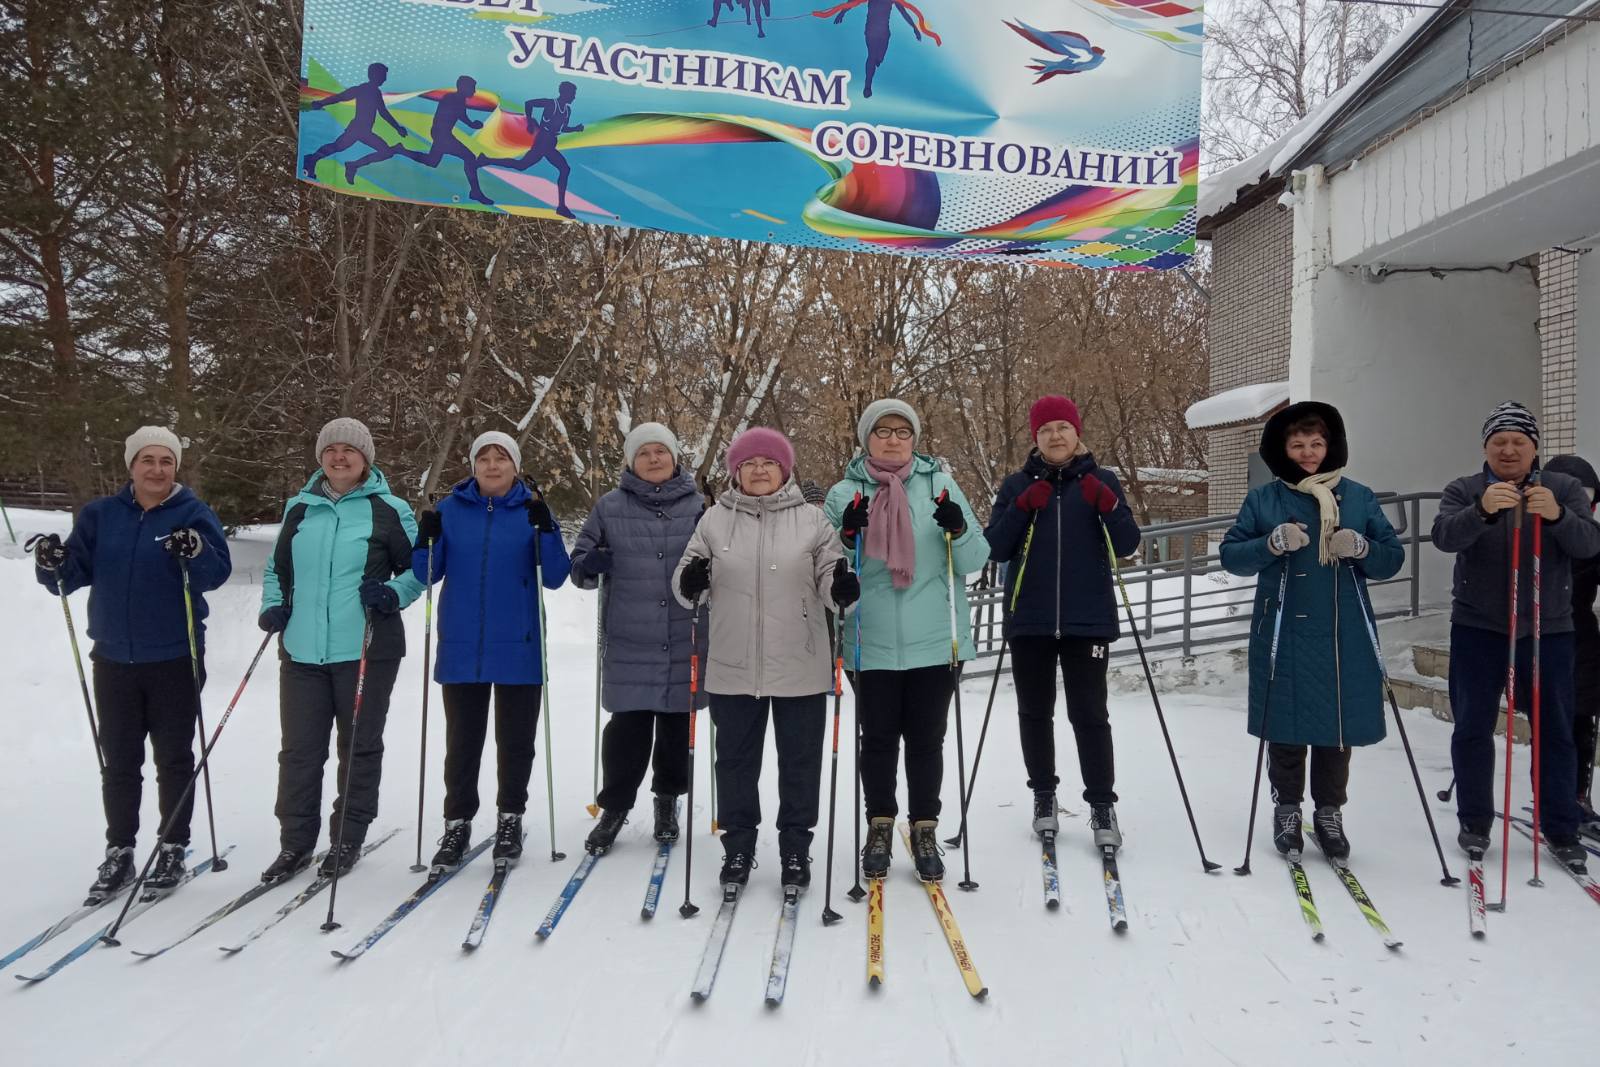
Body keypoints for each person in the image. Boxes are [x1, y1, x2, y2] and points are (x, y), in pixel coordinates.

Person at [30, 427, 231, 901]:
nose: (157, 469)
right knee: (119, 761)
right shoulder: (101, 516)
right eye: (148, 460)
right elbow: (70, 576)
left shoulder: (194, 513)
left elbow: (216, 572)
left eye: (166, 461)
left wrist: (195, 550)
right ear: (131, 465)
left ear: (175, 467)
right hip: (114, 658)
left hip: (175, 657)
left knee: (174, 758)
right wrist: (52, 563)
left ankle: (173, 847)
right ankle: (120, 850)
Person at [673, 427, 858, 889]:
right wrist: (690, 582)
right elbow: (685, 581)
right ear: (736, 471)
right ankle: (738, 847)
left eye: (769, 462)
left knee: (800, 763)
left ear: (784, 470)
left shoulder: (813, 522)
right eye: (750, 463)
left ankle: (795, 849)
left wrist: (840, 590)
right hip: (733, 667)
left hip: (801, 664)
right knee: (734, 763)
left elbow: (831, 578)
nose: (759, 470)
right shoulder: (714, 520)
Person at [1219, 402, 1404, 859]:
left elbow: (1391, 558)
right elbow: (1231, 556)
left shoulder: (1358, 497)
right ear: (1282, 449)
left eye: (1316, 443)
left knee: (1336, 727)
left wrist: (1362, 546)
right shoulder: (1264, 498)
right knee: (1285, 722)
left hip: (1345, 632)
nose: (1307, 453)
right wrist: (1271, 542)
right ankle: (1287, 807)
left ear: (1331, 445)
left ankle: (1328, 811)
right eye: (1297, 444)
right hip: (1284, 626)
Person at [1433, 402, 1600, 871]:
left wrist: (1561, 517)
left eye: (1518, 442)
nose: (1508, 450)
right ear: (1485, 447)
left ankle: (1561, 824)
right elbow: (1444, 536)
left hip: (1549, 629)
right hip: (1478, 627)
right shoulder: (1464, 489)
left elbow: (1589, 544)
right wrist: (1481, 512)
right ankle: (1475, 821)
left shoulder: (1564, 488)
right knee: (1472, 727)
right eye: (1499, 441)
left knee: (1555, 730)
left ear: (1534, 448)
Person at [823, 399, 985, 882]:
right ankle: (880, 824)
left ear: (914, 438)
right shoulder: (844, 492)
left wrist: (957, 527)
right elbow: (825, 563)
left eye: (902, 431)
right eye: (882, 431)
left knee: (926, 740)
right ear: (866, 438)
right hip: (868, 640)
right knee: (876, 740)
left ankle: (925, 826)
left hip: (935, 640)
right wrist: (843, 533)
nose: (893, 439)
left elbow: (976, 556)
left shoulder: (941, 485)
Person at [258, 418, 425, 881]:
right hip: (303, 652)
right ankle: (295, 844)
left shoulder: (390, 509)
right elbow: (277, 570)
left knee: (359, 746)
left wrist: (394, 593)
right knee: (299, 751)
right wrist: (274, 606)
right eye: (330, 449)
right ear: (320, 458)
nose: (339, 457)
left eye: (349, 450)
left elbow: (420, 569)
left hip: (367, 648)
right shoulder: (300, 508)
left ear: (365, 458)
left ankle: (347, 838)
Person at [983, 396, 1141, 851]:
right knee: (1035, 712)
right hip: (1030, 619)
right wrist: (1021, 508)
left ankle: (1101, 803)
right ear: (1035, 437)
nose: (1055, 435)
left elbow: (1127, 542)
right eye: (1046, 429)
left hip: (1087, 619)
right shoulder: (1016, 485)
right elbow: (995, 547)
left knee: (1089, 713)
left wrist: (1108, 504)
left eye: (1063, 427)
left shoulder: (1100, 480)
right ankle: (1044, 797)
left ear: (1077, 432)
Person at [412, 431, 570, 872]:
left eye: (502, 457)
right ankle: (457, 822)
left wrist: (548, 528)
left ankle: (509, 818)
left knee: (515, 743)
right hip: (462, 645)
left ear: (515, 466)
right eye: (484, 457)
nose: (492, 464)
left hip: (519, 644)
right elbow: (426, 572)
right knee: (462, 744)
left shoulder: (531, 509)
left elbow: (556, 576)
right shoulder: (450, 509)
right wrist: (426, 538)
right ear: (473, 466)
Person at [568, 423, 704, 855]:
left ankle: (667, 801)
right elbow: (579, 568)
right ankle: (615, 807)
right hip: (630, 636)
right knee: (626, 730)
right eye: (643, 453)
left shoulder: (701, 506)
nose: (652, 459)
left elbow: (725, 555)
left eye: (660, 451)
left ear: (675, 457)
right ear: (630, 461)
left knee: (675, 728)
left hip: (686, 633)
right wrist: (590, 562)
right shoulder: (610, 507)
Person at [1539, 454, 1599, 830]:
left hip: (1583, 638)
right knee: (1554, 720)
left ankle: (1578, 795)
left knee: (1584, 716)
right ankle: (1554, 796)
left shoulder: (1591, 538)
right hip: (1542, 635)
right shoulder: (1533, 533)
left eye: (1590, 499)